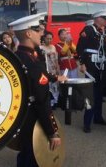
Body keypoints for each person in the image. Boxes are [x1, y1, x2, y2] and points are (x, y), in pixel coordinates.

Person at [8, 13, 67, 167]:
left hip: (21, 117)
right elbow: (42, 101)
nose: (42, 33)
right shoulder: (32, 61)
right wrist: (52, 131)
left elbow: (41, 76)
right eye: (38, 30)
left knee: (24, 154)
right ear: (28, 33)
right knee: (32, 157)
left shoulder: (19, 55)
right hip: (32, 119)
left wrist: (54, 77)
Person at [77, 10, 106, 133]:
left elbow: (104, 48)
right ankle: (87, 122)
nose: (105, 21)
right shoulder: (89, 30)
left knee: (99, 93)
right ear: (97, 18)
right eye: (103, 18)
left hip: (100, 64)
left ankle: (98, 117)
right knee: (90, 93)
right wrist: (82, 63)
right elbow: (80, 47)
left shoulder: (101, 31)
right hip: (90, 64)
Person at [40, 32, 60, 109]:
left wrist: (57, 68)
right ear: (44, 38)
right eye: (47, 38)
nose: (49, 40)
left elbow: (56, 59)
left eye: (50, 38)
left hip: (54, 68)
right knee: (48, 86)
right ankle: (50, 102)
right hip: (46, 69)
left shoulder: (53, 47)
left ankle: (56, 101)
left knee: (55, 85)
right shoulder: (41, 48)